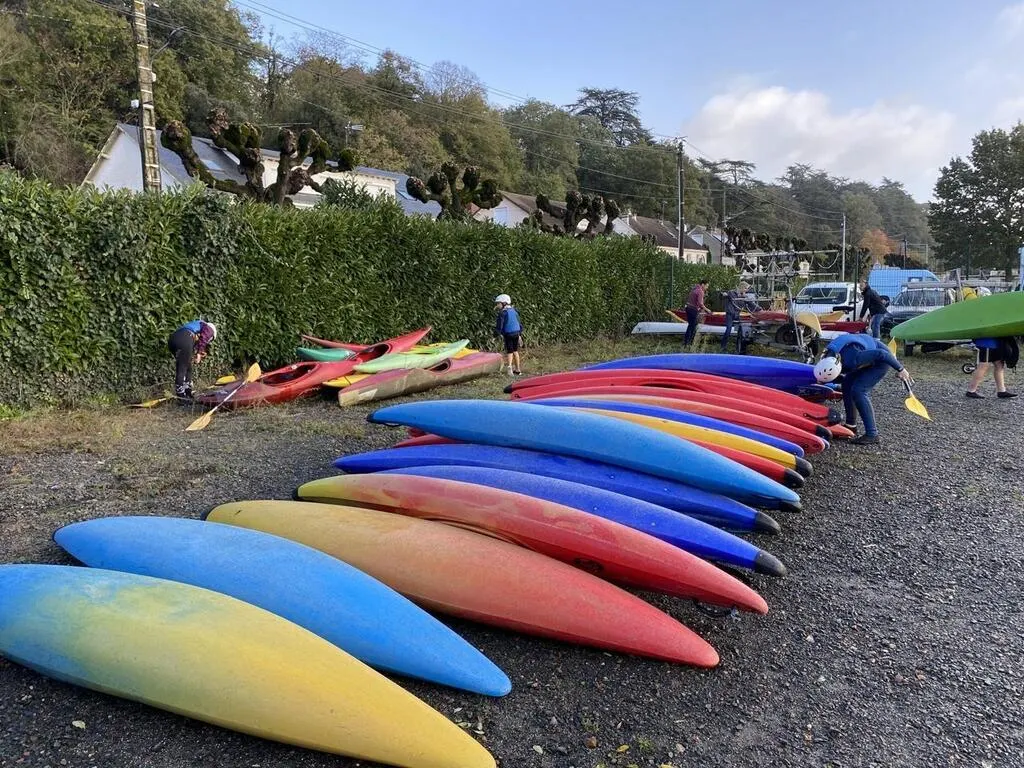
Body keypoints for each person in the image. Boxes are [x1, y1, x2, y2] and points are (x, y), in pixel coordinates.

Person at [814, 332, 913, 446]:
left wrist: (900, 369)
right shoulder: (828, 355)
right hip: (862, 353)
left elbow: (882, 354)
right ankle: (851, 426)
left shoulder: (853, 359)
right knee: (847, 384)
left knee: (859, 391)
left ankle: (872, 434)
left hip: (881, 360)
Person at [167, 319, 217, 400]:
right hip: (186, 337)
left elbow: (196, 341)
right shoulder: (209, 328)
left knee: (187, 367)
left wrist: (197, 351)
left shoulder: (197, 326)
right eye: (211, 340)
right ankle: (181, 397)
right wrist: (199, 353)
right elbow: (203, 339)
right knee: (182, 368)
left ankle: (188, 392)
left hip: (173, 340)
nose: (209, 341)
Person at [494, 293, 522, 376]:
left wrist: (496, 334)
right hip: (516, 333)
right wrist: (520, 334)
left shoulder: (503, 313)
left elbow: (500, 325)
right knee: (515, 351)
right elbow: (519, 323)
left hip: (508, 334)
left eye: (498, 303)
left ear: (504, 303)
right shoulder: (515, 311)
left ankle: (509, 368)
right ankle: (518, 369)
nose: (497, 305)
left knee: (509, 351)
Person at [720, 281, 750, 354]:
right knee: (728, 329)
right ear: (742, 287)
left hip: (737, 314)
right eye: (746, 288)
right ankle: (723, 347)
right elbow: (723, 296)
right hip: (730, 314)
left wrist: (759, 309)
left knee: (741, 330)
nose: (747, 290)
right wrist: (723, 295)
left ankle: (738, 346)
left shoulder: (744, 296)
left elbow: (750, 304)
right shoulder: (731, 292)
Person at [682, 278, 712, 348]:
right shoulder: (700, 291)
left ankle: (686, 343)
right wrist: (707, 310)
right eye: (706, 286)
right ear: (702, 285)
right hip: (692, 310)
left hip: (688, 308)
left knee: (690, 326)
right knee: (693, 327)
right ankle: (689, 344)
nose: (707, 288)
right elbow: (700, 304)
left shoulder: (694, 288)